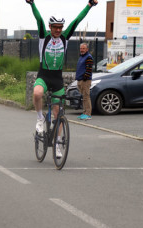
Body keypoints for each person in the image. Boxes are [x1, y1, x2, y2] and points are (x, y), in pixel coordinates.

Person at [26, 0, 98, 156]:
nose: (58, 30)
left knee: (58, 114)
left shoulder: (64, 38)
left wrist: (89, 5)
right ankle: (39, 118)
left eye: (60, 27)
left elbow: (76, 20)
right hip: (44, 75)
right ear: (50, 27)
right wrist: (32, 4)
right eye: (55, 27)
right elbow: (38, 19)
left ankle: (58, 144)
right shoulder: (43, 37)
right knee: (37, 93)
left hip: (57, 79)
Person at [75, 43, 93, 120]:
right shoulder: (81, 57)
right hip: (80, 79)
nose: (82, 50)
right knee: (84, 97)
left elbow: (89, 69)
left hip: (85, 80)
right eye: (81, 48)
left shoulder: (88, 57)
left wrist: (85, 78)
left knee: (86, 97)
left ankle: (88, 114)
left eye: (83, 48)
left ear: (87, 49)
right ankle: (84, 112)